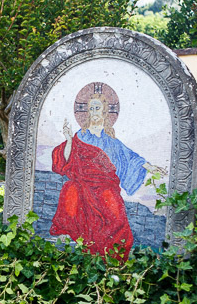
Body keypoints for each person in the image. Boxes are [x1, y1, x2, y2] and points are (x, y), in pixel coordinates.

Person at [50, 92, 146, 260]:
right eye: (91, 108)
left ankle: (111, 251)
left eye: (97, 108)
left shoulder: (111, 141)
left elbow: (130, 157)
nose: (94, 111)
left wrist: (150, 166)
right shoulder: (80, 136)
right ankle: (68, 231)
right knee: (70, 189)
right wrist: (69, 140)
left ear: (104, 111)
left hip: (105, 185)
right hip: (83, 183)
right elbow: (65, 159)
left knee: (115, 210)